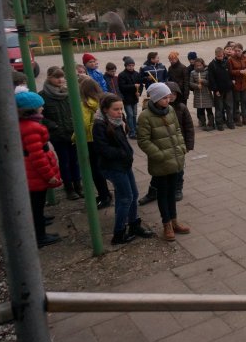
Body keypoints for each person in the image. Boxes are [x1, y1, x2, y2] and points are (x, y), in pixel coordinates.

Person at [93, 93, 155, 244]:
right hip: (114, 167)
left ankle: (134, 224)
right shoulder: (100, 125)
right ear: (105, 109)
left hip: (124, 164)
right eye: (116, 109)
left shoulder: (117, 120)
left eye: (121, 108)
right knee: (125, 198)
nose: (120, 112)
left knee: (133, 194)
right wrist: (122, 153)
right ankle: (119, 233)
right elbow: (103, 149)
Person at [137, 82, 189, 241]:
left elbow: (178, 130)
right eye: (165, 97)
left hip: (175, 159)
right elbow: (143, 141)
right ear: (156, 98)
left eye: (169, 96)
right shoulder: (145, 116)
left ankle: (174, 221)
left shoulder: (171, 110)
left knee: (172, 192)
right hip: (160, 162)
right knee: (163, 193)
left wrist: (181, 147)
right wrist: (159, 155)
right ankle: (166, 223)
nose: (169, 99)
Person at [17, 91, 62, 247]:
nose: (42, 108)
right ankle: (40, 235)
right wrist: (49, 175)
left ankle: (40, 222)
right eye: (40, 106)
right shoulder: (32, 128)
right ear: (32, 109)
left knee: (37, 203)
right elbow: (37, 156)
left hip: (30, 170)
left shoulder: (25, 125)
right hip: (34, 172)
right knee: (36, 203)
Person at [40, 67, 82, 201]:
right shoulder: (43, 95)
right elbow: (40, 115)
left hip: (72, 132)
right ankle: (69, 188)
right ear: (49, 78)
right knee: (64, 161)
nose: (60, 80)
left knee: (75, 160)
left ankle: (78, 185)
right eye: (56, 77)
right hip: (58, 135)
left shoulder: (68, 93)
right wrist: (53, 126)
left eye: (61, 77)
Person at [79, 78, 112, 208]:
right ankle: (105, 193)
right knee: (101, 168)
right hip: (102, 139)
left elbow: (84, 124)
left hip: (90, 140)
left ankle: (104, 196)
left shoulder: (85, 104)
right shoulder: (102, 101)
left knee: (95, 171)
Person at [166, 82, 194, 201]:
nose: (172, 96)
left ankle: (178, 188)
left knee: (179, 168)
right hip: (165, 144)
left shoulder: (182, 108)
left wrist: (188, 145)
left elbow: (189, 127)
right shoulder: (161, 108)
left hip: (179, 143)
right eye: (169, 94)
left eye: (174, 94)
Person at [208, 47, 234, 130]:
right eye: (218, 56)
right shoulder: (212, 65)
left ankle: (230, 122)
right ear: (215, 55)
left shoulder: (227, 62)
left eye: (221, 56)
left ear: (223, 55)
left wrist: (232, 81)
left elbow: (230, 73)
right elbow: (211, 79)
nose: (220, 58)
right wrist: (215, 90)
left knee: (229, 106)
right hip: (218, 90)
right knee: (219, 107)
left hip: (228, 88)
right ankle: (219, 124)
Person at [118, 56, 142, 138]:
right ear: (126, 66)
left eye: (132, 65)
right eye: (129, 65)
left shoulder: (137, 74)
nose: (131, 67)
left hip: (135, 98)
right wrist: (133, 86)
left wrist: (139, 92)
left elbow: (140, 85)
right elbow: (122, 87)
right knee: (130, 115)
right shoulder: (122, 75)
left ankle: (135, 129)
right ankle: (132, 132)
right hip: (127, 98)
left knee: (135, 114)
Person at [228, 44, 246, 126]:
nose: (237, 52)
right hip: (236, 84)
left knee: (244, 102)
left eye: (239, 50)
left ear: (242, 50)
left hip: (244, 83)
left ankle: (245, 118)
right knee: (236, 102)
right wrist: (239, 72)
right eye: (236, 50)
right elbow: (230, 71)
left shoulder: (245, 58)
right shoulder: (230, 60)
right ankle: (237, 119)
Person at [189, 57, 215, 130]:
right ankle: (202, 123)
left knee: (209, 109)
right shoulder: (192, 73)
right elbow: (190, 83)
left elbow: (210, 82)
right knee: (200, 110)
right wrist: (196, 86)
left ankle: (211, 123)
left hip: (206, 94)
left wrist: (203, 81)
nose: (198, 67)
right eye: (197, 66)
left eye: (200, 65)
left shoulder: (207, 72)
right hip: (198, 95)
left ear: (203, 64)